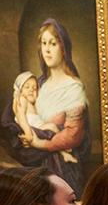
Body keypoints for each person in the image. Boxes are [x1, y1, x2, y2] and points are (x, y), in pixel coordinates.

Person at [15, 20, 91, 193]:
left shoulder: (73, 87)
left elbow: (73, 136)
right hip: (37, 166)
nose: (47, 50)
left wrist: (37, 142)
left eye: (53, 44)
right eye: (43, 43)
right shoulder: (39, 84)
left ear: (63, 48)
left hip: (63, 169)